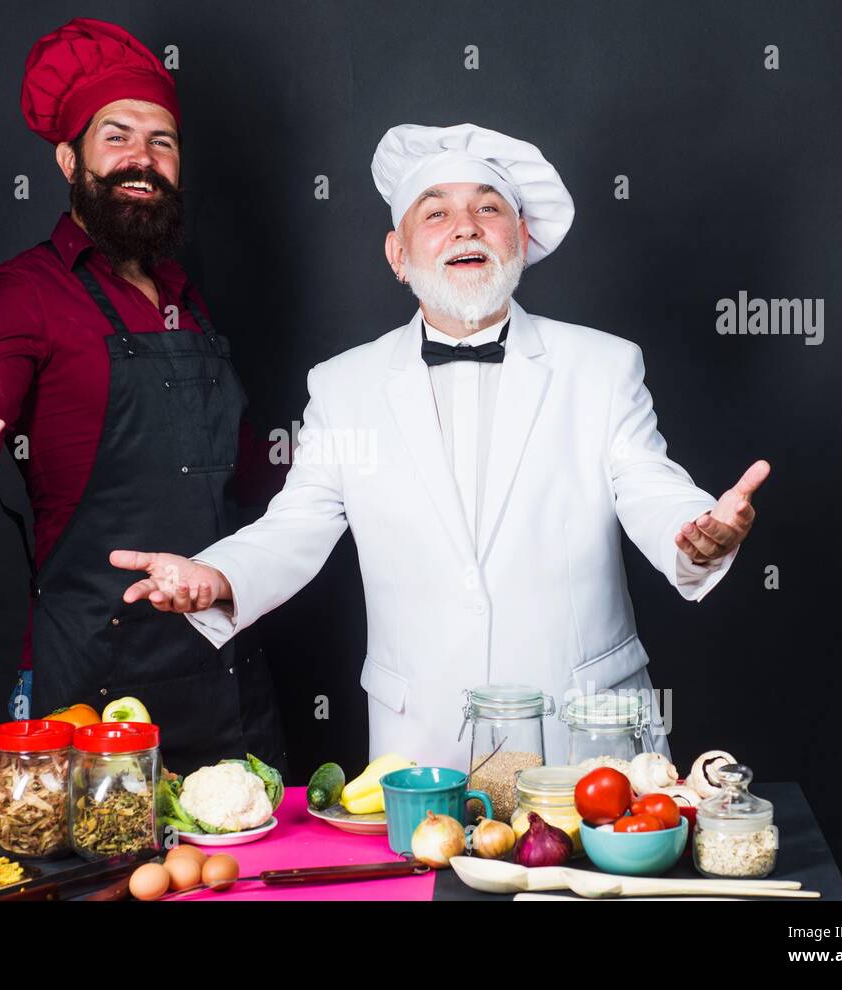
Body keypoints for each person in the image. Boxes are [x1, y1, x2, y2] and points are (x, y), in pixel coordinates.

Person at [109, 122, 769, 767]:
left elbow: (648, 485)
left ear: (522, 239)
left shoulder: (602, 365)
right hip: (424, 744)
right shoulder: (345, 386)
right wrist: (217, 575)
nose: (465, 226)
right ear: (398, 255)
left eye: (488, 207)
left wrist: (695, 528)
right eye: (436, 212)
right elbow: (293, 529)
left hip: (586, 739)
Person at [0, 18, 285, 774]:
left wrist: (352, 473)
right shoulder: (24, 294)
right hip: (95, 674)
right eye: (117, 136)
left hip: (227, 668)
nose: (143, 159)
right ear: (69, 158)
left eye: (162, 141)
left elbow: (243, 471)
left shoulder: (185, 298)